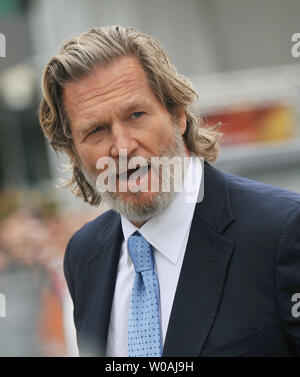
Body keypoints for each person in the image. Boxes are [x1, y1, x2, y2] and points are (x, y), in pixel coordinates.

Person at [39, 25, 300, 357]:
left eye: (136, 115)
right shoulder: (83, 255)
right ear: (74, 153)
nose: (121, 147)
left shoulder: (282, 232)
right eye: (96, 130)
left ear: (178, 115)